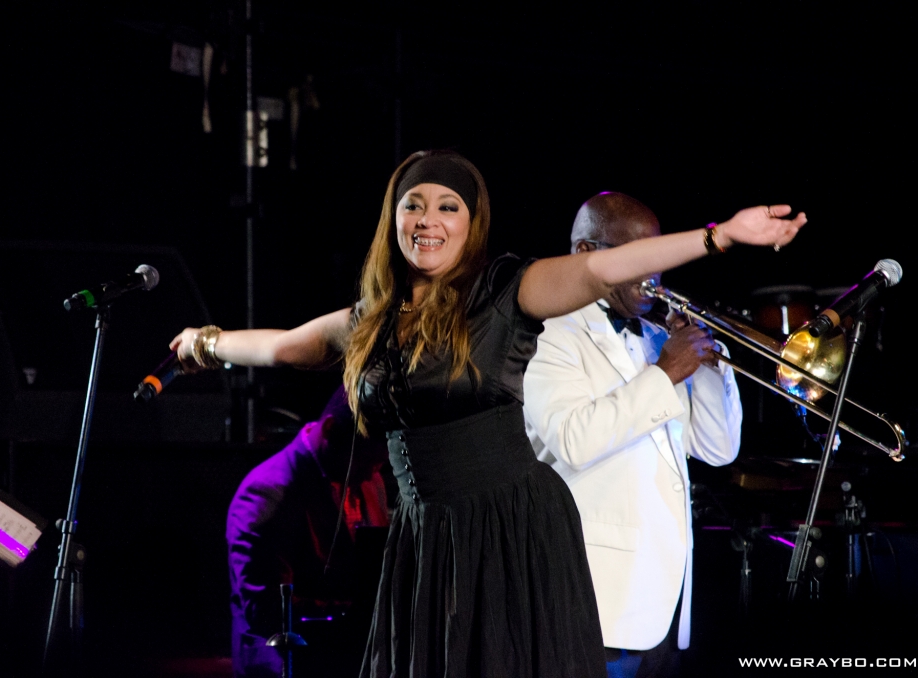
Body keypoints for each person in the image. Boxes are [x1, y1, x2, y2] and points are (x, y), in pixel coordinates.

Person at [171, 150, 805, 678]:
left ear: (470, 225)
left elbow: (599, 267)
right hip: (426, 537)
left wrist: (719, 236)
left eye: (449, 206)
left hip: (511, 530)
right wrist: (205, 344)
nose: (429, 219)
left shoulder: (503, 293)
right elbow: (284, 346)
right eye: (414, 205)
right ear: (394, 219)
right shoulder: (371, 320)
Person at [522, 192, 743, 678]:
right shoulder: (547, 333)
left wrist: (708, 366)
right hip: (593, 603)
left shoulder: (657, 338)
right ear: (586, 254)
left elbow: (717, 450)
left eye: (657, 257)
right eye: (638, 256)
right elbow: (572, 439)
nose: (653, 274)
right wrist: (665, 373)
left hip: (664, 604)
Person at [227, 386, 391, 677]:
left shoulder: (368, 478)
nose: (371, 474)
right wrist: (364, 613)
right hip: (286, 666)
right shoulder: (265, 495)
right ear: (330, 430)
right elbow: (267, 611)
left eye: (378, 464)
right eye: (365, 461)